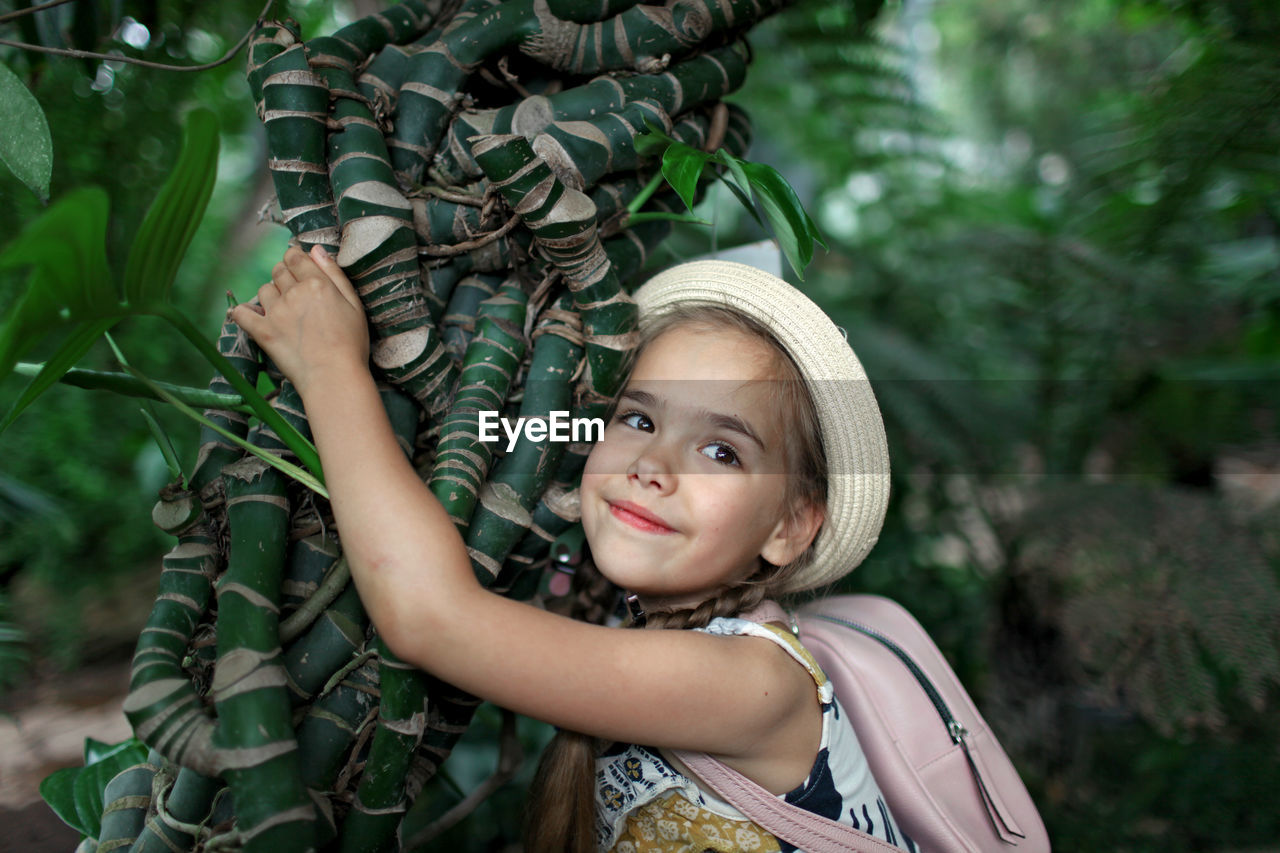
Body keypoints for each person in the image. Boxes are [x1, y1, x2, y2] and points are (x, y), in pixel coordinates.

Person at [230, 248, 903, 853]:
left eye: (722, 451)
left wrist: (327, 367)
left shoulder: (750, 682)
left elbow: (427, 615)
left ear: (789, 526)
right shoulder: (646, 629)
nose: (652, 464)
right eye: (639, 419)